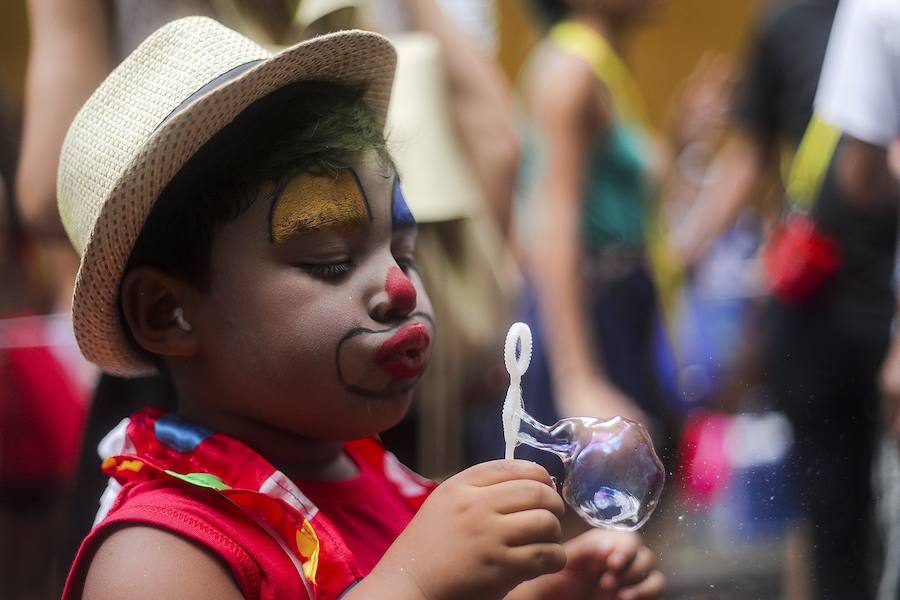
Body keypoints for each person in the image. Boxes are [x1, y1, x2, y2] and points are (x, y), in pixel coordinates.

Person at [58, 17, 664, 600]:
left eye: (404, 249)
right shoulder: (158, 555)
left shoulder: (381, 481)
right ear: (169, 313)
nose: (400, 286)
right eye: (328, 259)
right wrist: (417, 583)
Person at [676, 0, 898, 596]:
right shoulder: (783, 23)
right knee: (831, 513)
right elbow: (749, 153)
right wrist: (682, 251)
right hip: (815, 303)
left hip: (890, 298)